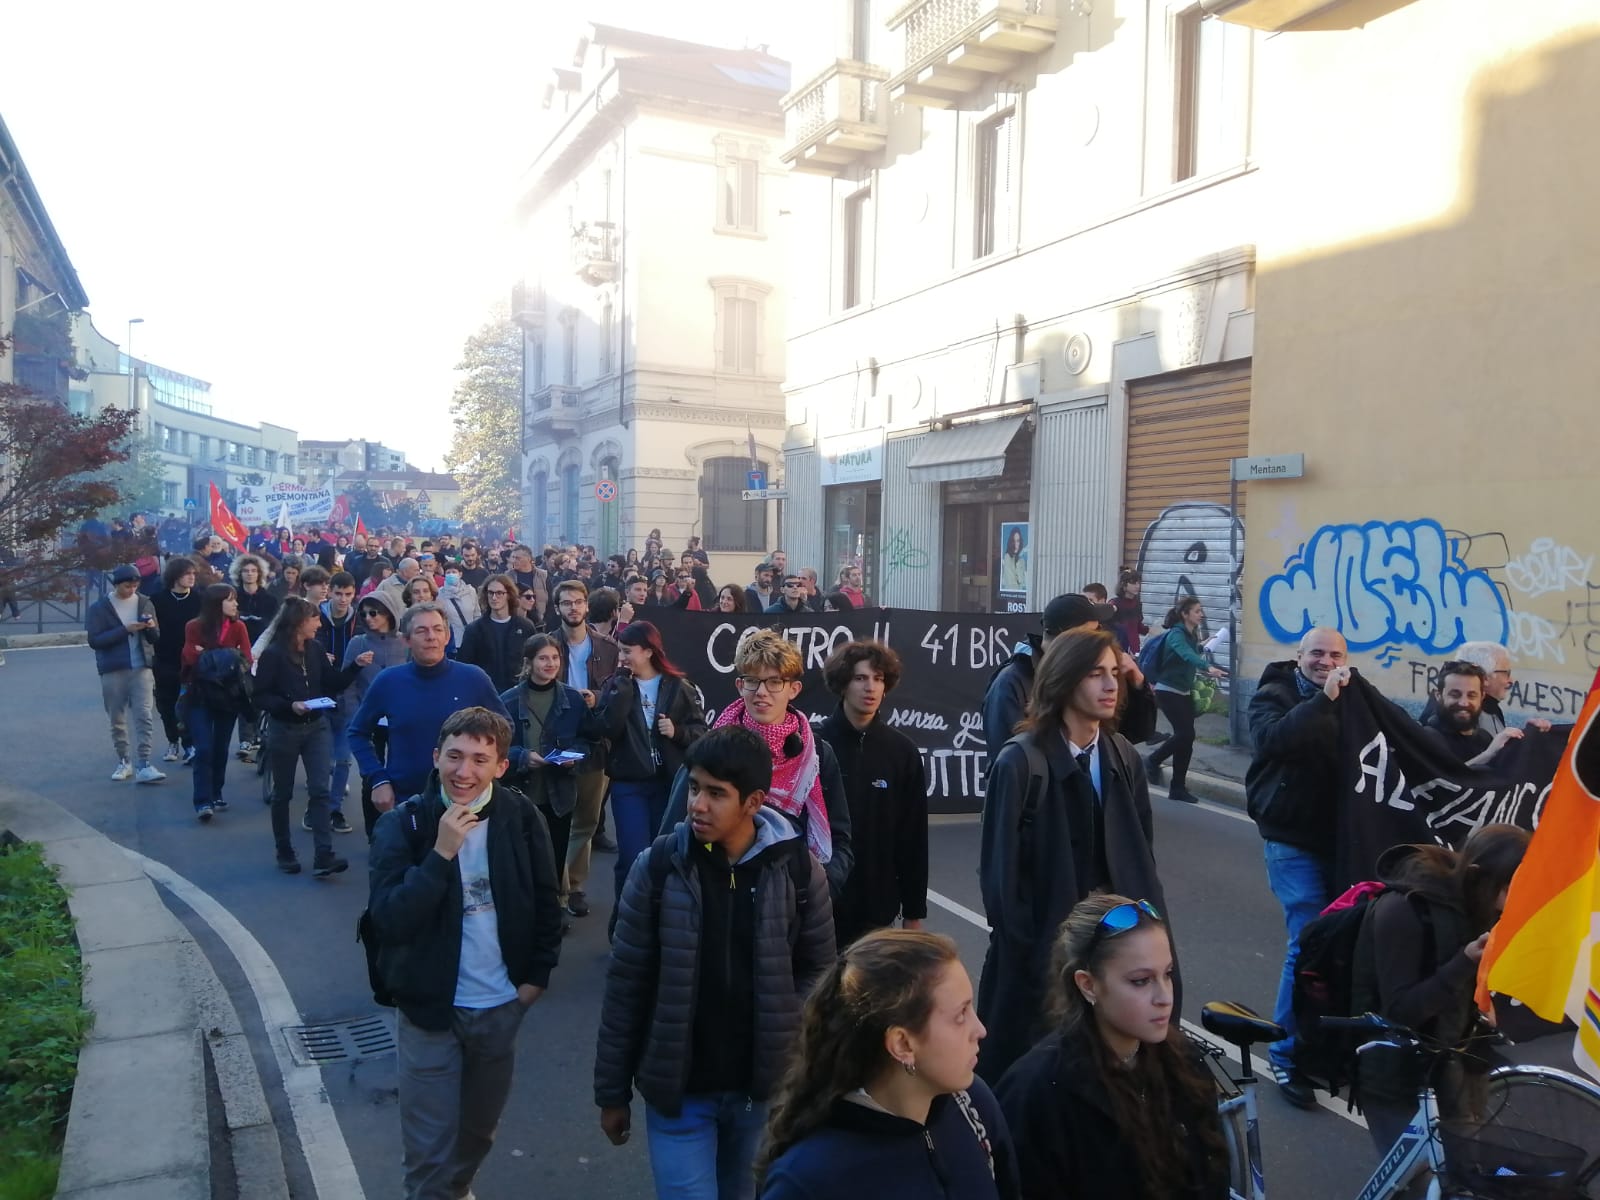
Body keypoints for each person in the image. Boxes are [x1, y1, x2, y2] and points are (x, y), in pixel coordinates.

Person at [594, 726, 836, 1200]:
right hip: (679, 1093)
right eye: (694, 788)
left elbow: (821, 976)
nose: (697, 804)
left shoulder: (800, 872)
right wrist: (611, 1092)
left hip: (760, 1094)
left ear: (753, 802)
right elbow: (627, 983)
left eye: (716, 794)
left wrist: (790, 1040)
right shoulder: (659, 867)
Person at [367, 707, 564, 1200]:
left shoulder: (521, 818)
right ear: (436, 758)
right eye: (454, 756)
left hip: (499, 1006)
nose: (464, 771)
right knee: (429, 1154)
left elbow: (546, 902)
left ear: (500, 766)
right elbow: (390, 919)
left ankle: (454, 1191)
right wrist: (441, 853)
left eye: (480, 759)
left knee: (477, 1135)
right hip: (429, 1011)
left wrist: (534, 979)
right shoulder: (405, 824)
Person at [976, 629, 1170, 1082]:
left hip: (1116, 955)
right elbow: (1001, 882)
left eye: (1113, 674)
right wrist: (1031, 959)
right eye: (1093, 674)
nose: (1109, 686)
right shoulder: (1020, 762)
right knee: (1037, 1084)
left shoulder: (1122, 756)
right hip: (1041, 964)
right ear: (1063, 680)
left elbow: (1142, 853)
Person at [995, 894, 1228, 1200]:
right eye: (1141, 981)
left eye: (1167, 974)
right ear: (1088, 985)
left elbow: (1212, 1177)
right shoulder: (1037, 1095)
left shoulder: (1183, 1061)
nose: (1165, 997)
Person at [756, 930, 1019, 1200]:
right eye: (960, 1015)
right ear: (902, 1044)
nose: (981, 1029)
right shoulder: (808, 1182)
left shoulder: (974, 1104)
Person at [1353, 824, 1530, 1152]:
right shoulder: (1404, 909)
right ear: (1479, 877)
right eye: (1510, 888)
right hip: (1396, 1073)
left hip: (1454, 1065)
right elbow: (1400, 1011)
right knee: (1419, 1180)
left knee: (1464, 1171)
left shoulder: (1482, 904)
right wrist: (1464, 962)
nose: (1516, 902)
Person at [660, 630, 855, 902]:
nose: (762, 692)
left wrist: (818, 891)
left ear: (794, 689)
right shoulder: (709, 749)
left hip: (790, 902)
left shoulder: (818, 754)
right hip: (715, 897)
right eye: (753, 681)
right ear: (740, 686)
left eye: (775, 681)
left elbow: (839, 839)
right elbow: (674, 833)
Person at [1244, 625, 1349, 1108]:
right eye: (1317, 653)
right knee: (1306, 945)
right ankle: (1287, 1057)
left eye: (1335, 654)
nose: (1325, 661)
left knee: (1342, 948)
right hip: (1290, 841)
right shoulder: (1275, 694)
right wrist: (1324, 702)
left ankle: (1325, 1047)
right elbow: (1275, 740)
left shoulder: (1353, 698)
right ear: (1299, 655)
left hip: (1340, 841)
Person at [349, 603, 510, 821]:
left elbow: (505, 728)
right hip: (406, 803)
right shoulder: (388, 681)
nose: (431, 636)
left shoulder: (474, 678)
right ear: (406, 640)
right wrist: (377, 779)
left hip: (466, 804)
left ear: (447, 636)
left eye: (437, 629)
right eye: (421, 631)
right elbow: (357, 733)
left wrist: (483, 768)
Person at [595, 620, 707, 932]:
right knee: (632, 857)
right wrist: (621, 689)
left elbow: (701, 731)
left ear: (647, 651)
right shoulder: (617, 684)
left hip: (668, 785)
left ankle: (657, 925)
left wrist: (678, 731)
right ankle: (625, 926)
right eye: (620, 650)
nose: (622, 657)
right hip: (628, 783)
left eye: (627, 651)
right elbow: (606, 727)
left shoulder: (678, 687)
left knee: (664, 856)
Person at [817, 640, 927, 949]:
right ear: (842, 683)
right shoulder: (815, 745)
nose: (871, 688)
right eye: (861, 678)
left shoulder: (902, 752)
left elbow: (913, 837)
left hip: (878, 910)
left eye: (878, 679)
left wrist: (914, 911)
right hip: (822, 906)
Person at [982, 593, 1157, 767]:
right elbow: (1010, 761)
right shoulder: (1011, 682)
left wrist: (1138, 685)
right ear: (1068, 638)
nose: (1099, 639)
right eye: (1092, 633)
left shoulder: (1095, 674)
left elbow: (1134, 732)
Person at [253, 597, 362, 876]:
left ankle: (323, 854)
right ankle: (284, 850)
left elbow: (331, 681)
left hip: (316, 726)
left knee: (320, 790)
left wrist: (355, 667)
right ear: (300, 622)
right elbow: (261, 695)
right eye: (314, 618)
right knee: (284, 792)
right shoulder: (274, 654)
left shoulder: (315, 649)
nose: (318, 623)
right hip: (285, 729)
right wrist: (289, 706)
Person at [501, 633, 599, 927]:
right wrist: (522, 757)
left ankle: (553, 910)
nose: (550, 663)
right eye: (543, 658)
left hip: (559, 791)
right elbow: (497, 746)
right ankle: (524, 910)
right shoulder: (507, 700)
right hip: (521, 791)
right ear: (528, 663)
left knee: (555, 854)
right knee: (523, 855)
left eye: (555, 658)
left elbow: (587, 739)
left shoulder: (571, 698)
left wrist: (573, 756)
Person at [552, 580, 620, 920]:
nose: (573, 608)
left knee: (587, 820)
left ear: (586, 607)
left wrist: (598, 698)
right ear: (557, 608)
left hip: (595, 743)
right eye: (566, 603)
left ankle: (574, 886)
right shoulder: (547, 644)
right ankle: (558, 890)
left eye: (578, 602)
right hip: (559, 742)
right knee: (557, 816)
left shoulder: (608, 647)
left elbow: (619, 692)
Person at [180, 583, 254, 820]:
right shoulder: (194, 626)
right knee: (203, 748)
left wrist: (210, 655)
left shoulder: (238, 626)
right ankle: (202, 801)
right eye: (230, 599)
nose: (236, 604)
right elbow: (190, 657)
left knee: (221, 747)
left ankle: (216, 791)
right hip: (200, 694)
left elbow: (246, 659)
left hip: (228, 696)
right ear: (216, 603)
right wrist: (226, 656)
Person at [1142, 597, 1227, 805]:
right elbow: (1185, 654)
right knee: (1186, 733)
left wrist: (1202, 646)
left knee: (1186, 739)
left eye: (1201, 611)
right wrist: (1207, 667)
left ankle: (1177, 787)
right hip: (1167, 691)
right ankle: (1152, 760)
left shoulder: (1191, 634)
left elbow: (1189, 652)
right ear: (1185, 614)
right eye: (1197, 611)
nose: (1202, 614)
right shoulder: (1176, 634)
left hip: (1183, 691)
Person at [86, 564, 165, 785]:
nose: (131, 590)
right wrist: (125, 630)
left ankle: (145, 763)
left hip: (142, 666)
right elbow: (95, 640)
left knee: (144, 715)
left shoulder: (145, 602)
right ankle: (124, 760)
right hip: (113, 667)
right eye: (127, 586)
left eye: (135, 585)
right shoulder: (100, 608)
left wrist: (149, 627)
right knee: (117, 717)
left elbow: (155, 637)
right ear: (116, 584)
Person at [341, 589, 410, 838]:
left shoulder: (405, 642)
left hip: (401, 719)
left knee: (403, 771)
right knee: (372, 774)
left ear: (390, 613)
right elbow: (347, 682)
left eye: (374, 613)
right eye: (364, 613)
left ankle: (402, 826)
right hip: (368, 719)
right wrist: (353, 714)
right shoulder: (358, 642)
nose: (369, 618)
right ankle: (374, 833)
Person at [1416, 642, 1552, 737]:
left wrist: (1528, 733)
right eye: (1506, 673)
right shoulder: (1456, 716)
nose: (1511, 680)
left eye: (1472, 695)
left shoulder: (1491, 710)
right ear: (1484, 677)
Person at [313, 571, 362, 834]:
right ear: (329, 592)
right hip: (321, 692)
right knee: (321, 758)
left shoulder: (360, 619)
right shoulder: (316, 616)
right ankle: (316, 807)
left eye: (348, 594)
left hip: (348, 692)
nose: (343, 599)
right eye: (338, 593)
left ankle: (334, 809)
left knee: (343, 758)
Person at [1422, 661, 1527, 767]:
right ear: (1438, 696)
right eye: (1455, 695)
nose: (1464, 703)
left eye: (1471, 696)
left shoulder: (1484, 738)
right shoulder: (1428, 738)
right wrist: (1488, 754)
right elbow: (1445, 780)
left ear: (1482, 697)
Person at [150, 556, 202, 765]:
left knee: (189, 704)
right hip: (165, 659)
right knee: (166, 704)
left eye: (193, 574)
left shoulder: (199, 599)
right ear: (175, 576)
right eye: (187, 573)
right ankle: (173, 741)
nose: (192, 577)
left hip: (191, 660)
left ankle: (189, 744)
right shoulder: (157, 599)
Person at [457, 574, 539, 693]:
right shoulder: (474, 629)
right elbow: (464, 666)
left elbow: (533, 661)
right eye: (490, 593)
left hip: (519, 694)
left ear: (509, 595)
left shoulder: (526, 627)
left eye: (499, 593)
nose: (494, 598)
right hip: (485, 693)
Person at [438, 563, 482, 647]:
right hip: (452, 642)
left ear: (460, 574)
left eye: (454, 572)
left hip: (471, 639)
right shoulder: (440, 594)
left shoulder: (470, 591)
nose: (451, 574)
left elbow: (477, 614)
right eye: (448, 572)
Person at [999, 528, 1028, 595]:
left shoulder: (1021, 561)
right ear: (1010, 542)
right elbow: (1011, 582)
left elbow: (1022, 581)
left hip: (1020, 595)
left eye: (1017, 541)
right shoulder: (1007, 557)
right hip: (1011, 594)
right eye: (1013, 541)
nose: (1015, 544)